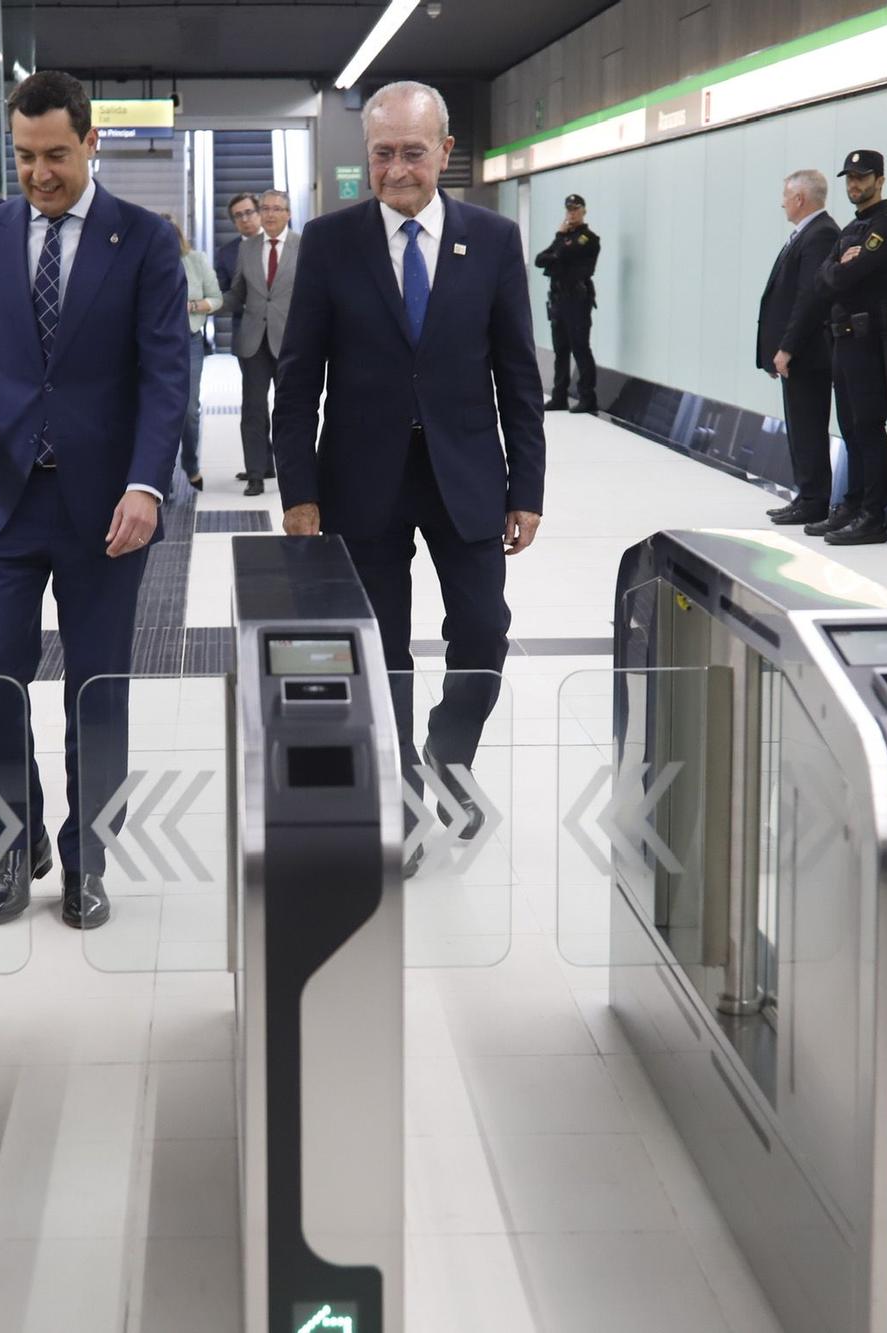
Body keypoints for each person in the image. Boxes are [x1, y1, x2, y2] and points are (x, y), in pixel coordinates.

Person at [0, 71, 190, 929]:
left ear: (91, 143)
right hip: (1, 496)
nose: (40, 173)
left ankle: (87, 859)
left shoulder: (142, 239)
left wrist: (148, 484)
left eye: (57, 156)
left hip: (108, 506)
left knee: (95, 690)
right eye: (26, 156)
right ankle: (14, 841)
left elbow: (165, 376)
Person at [273, 80, 545, 876]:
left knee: (484, 636)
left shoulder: (492, 241)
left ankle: (446, 751)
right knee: (380, 650)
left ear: (445, 154)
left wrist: (526, 489)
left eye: (413, 152)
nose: (397, 168)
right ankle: (396, 797)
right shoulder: (327, 243)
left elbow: (517, 378)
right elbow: (296, 381)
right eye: (383, 153)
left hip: (467, 478)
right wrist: (299, 492)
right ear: (368, 156)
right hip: (361, 483)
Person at [806, 149, 887, 547]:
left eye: (862, 177)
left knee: (868, 426)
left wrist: (838, 270)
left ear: (880, 180)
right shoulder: (853, 228)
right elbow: (823, 280)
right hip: (842, 338)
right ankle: (850, 505)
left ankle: (871, 515)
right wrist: (837, 268)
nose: (854, 184)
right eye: (849, 177)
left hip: (867, 338)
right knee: (848, 427)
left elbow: (846, 278)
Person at [756, 169, 841, 526]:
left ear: (800, 199)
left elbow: (810, 298)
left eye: (786, 196)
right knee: (800, 425)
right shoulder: (806, 234)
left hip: (808, 353)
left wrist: (787, 347)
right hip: (800, 353)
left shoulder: (820, 235)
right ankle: (805, 495)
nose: (782, 202)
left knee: (808, 425)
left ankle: (814, 500)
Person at [222, 189, 300, 494]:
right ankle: (255, 472)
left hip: (290, 342)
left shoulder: (302, 246)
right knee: (253, 409)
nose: (269, 214)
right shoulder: (248, 248)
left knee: (290, 410)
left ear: (288, 213)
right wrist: (206, 303)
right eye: (264, 208)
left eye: (276, 209)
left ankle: (292, 471)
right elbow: (237, 292)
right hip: (254, 341)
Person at [534, 193, 600, 413]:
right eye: (569, 210)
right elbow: (539, 260)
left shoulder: (588, 239)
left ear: (583, 211)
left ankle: (587, 397)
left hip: (577, 300)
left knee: (580, 348)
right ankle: (559, 396)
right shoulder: (563, 236)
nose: (571, 213)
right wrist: (558, 248)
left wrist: (559, 247)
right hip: (558, 300)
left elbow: (564, 254)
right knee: (560, 350)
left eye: (575, 209)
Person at [171, 214, 218, 493]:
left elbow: (217, 299)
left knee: (188, 410)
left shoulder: (195, 261)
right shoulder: (140, 261)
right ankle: (160, 476)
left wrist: (191, 306)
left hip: (189, 340)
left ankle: (190, 464)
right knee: (156, 410)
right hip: (151, 345)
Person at [215, 193, 261, 295]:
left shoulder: (282, 242)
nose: (244, 219)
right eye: (238, 215)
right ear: (234, 222)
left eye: (249, 212)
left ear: (260, 213)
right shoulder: (225, 253)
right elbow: (223, 293)